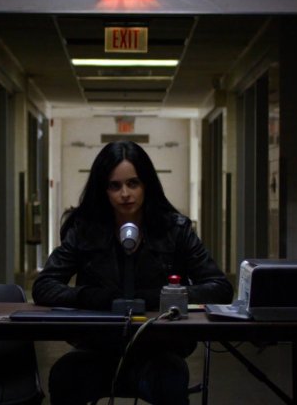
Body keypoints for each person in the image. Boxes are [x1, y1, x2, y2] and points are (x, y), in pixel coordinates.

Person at [32, 140, 233, 405]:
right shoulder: (85, 230)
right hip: (98, 348)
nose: (125, 193)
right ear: (103, 190)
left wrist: (161, 297)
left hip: (158, 349)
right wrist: (91, 297)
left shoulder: (175, 229)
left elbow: (220, 287)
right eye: (115, 186)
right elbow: (44, 286)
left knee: (169, 379)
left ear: (146, 185)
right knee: (65, 375)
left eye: (133, 184)